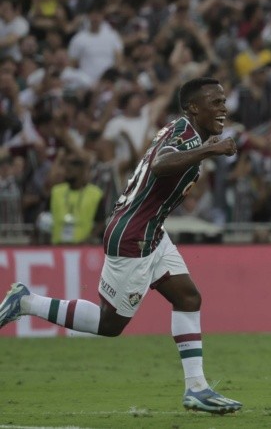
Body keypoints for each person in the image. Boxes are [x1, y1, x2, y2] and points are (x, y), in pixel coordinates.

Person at [0, 77, 243, 413]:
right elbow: (160, 165)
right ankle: (27, 302)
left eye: (223, 101)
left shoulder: (187, 131)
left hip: (152, 231)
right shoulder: (185, 134)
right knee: (109, 324)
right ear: (193, 107)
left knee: (188, 297)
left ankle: (197, 389)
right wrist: (209, 149)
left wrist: (206, 148)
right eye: (215, 102)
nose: (223, 108)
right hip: (135, 235)